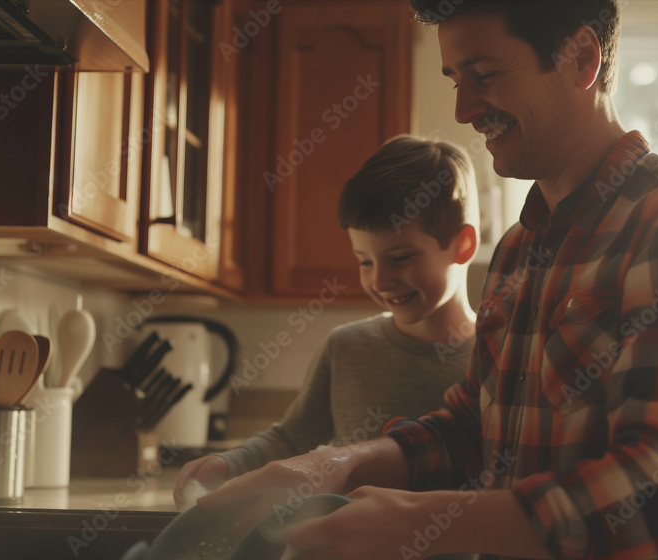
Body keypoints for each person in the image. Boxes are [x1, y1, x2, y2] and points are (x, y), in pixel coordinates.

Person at [197, 2, 658, 560]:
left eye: (486, 74)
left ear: (580, 58)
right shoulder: (519, 249)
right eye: (454, 79)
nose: (464, 109)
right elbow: (475, 425)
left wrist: (421, 522)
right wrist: (337, 463)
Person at [173, 135, 482, 512]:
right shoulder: (347, 346)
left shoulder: (495, 356)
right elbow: (292, 438)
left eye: (400, 258)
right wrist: (227, 462)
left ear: (463, 245)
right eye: (365, 261)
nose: (380, 281)